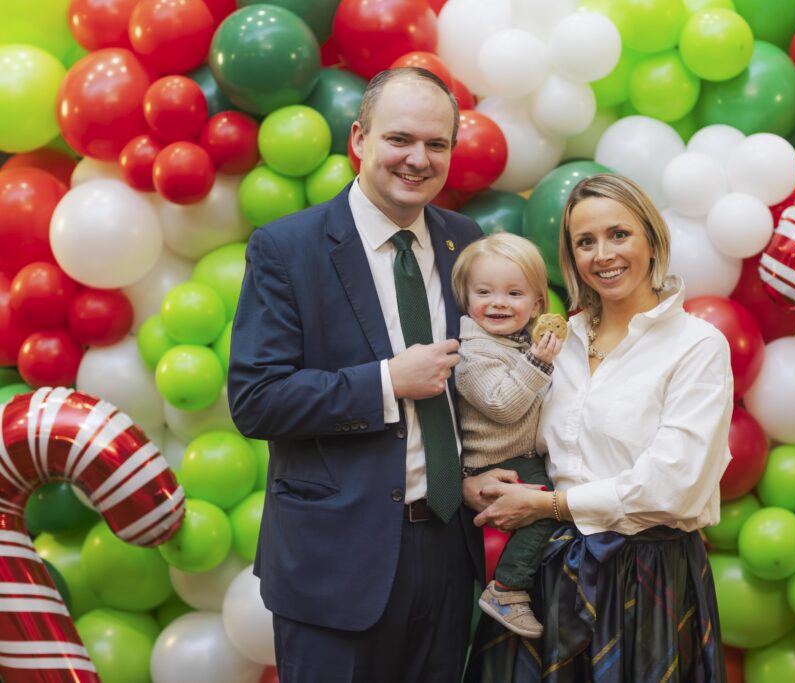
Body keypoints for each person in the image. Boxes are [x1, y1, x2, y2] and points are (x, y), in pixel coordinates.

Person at [228, 67, 506, 682]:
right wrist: (386, 382)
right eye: (399, 139)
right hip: (334, 562)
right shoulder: (287, 248)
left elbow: (477, 380)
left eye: (436, 144)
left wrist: (479, 471)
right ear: (359, 138)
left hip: (447, 551)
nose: (418, 159)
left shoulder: (465, 242)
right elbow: (257, 399)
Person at [464, 173, 733, 682]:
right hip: (548, 572)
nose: (602, 254)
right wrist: (475, 482)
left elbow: (674, 485)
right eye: (585, 242)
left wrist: (548, 505)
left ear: (651, 240)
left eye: (619, 234)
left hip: (646, 573)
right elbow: (513, 432)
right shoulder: (557, 341)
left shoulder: (697, 345)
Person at [451, 232, 564, 639]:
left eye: (514, 293)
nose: (498, 302)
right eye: (484, 292)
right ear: (466, 297)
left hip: (519, 453)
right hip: (494, 462)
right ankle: (507, 588)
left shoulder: (519, 341)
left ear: (537, 304)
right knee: (546, 507)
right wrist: (538, 362)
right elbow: (502, 405)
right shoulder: (473, 352)